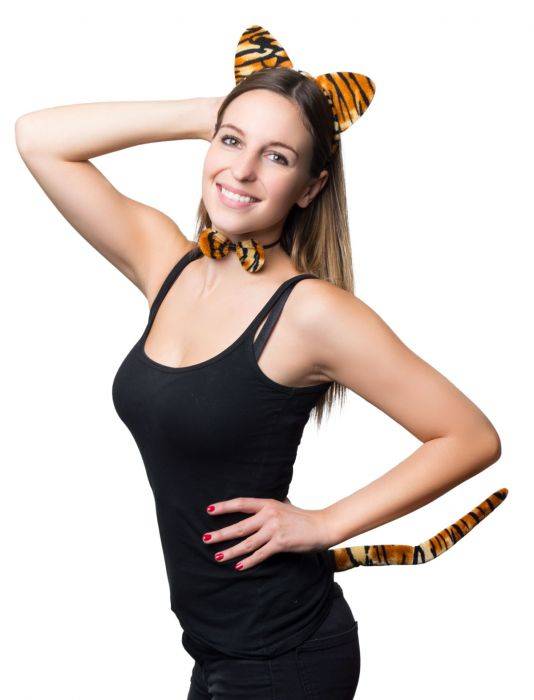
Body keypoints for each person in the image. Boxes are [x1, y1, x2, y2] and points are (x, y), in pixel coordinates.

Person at [15, 25, 501, 700]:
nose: (241, 171)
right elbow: (38, 138)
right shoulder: (167, 263)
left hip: (285, 654)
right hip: (214, 646)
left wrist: (325, 523)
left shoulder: (310, 312)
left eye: (276, 156)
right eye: (231, 142)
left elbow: (470, 437)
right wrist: (213, 114)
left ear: (309, 186)